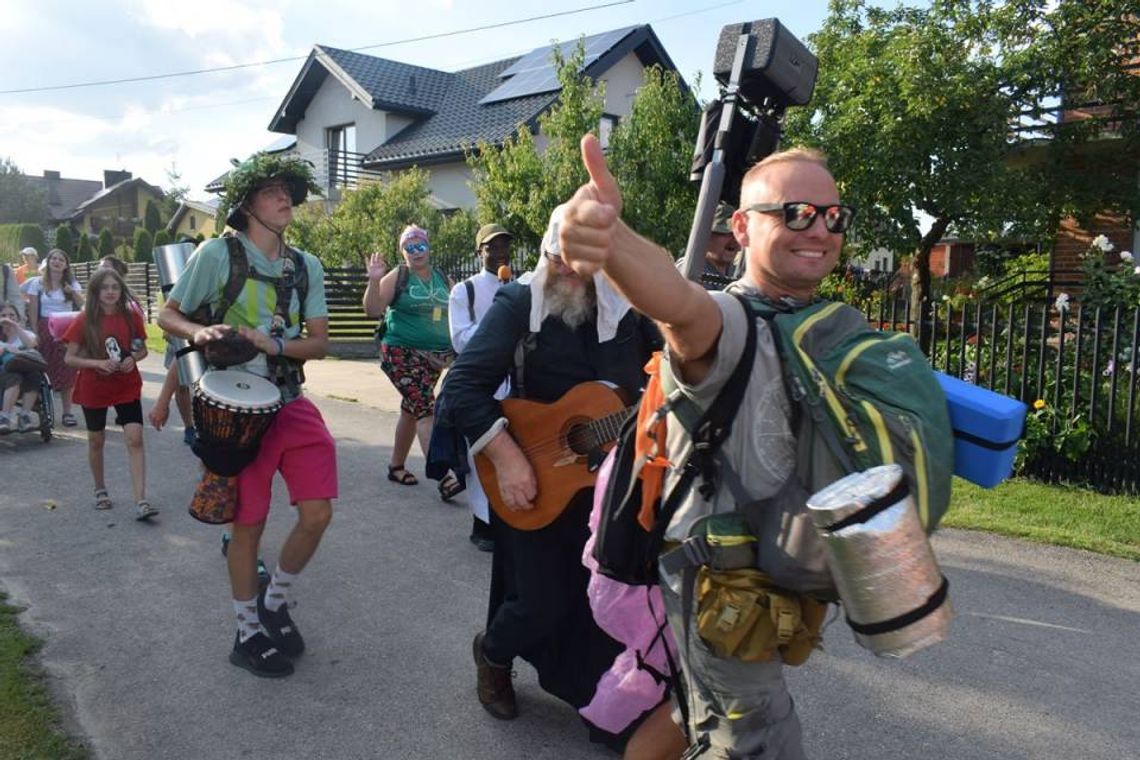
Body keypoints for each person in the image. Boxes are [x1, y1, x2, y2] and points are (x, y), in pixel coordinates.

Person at [559, 134, 858, 759]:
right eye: (797, 212)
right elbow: (679, 304)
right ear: (742, 228)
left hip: (760, 585)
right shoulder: (729, 318)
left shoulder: (811, 324)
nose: (820, 229)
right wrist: (612, 239)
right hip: (708, 589)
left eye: (834, 215)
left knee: (686, 711)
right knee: (755, 739)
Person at [442, 204, 661, 749]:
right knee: (539, 602)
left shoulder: (630, 314)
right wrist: (508, 458)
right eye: (561, 250)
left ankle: (606, 704)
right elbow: (461, 388)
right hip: (535, 478)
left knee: (611, 601)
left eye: (582, 253)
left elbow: (676, 372)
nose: (567, 264)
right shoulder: (521, 302)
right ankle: (492, 652)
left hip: (615, 491)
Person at [157, 152, 336, 679]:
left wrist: (272, 342)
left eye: (288, 191)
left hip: (288, 400)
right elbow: (168, 314)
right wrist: (198, 333)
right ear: (247, 204)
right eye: (272, 191)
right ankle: (247, 632)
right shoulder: (217, 254)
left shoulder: (306, 265)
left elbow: (320, 344)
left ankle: (274, 601)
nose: (285, 198)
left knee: (318, 512)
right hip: (233, 410)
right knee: (248, 527)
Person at [362, 225, 459, 499]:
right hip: (401, 353)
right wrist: (373, 281)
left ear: (429, 247)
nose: (416, 252)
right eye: (410, 247)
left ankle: (396, 466)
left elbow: (460, 311)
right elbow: (372, 309)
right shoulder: (399, 276)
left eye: (421, 246)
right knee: (425, 409)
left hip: (434, 359)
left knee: (412, 408)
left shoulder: (442, 277)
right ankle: (444, 476)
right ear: (402, 252)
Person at [61, 268, 155, 519]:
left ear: (121, 289)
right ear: (96, 292)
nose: (111, 292)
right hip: (94, 387)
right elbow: (69, 358)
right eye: (105, 288)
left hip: (126, 384)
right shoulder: (84, 320)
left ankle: (141, 500)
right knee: (96, 441)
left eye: (115, 287)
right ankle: (100, 488)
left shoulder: (131, 316)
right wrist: (98, 363)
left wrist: (133, 359)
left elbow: (141, 349)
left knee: (135, 438)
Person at [447, 222, 514, 552]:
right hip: (481, 384)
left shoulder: (520, 286)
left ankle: (509, 520)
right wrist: (498, 332)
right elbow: (459, 337)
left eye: (504, 246)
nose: (500, 252)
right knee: (479, 457)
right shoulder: (465, 291)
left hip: (516, 383)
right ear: (479, 252)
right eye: (492, 247)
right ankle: (482, 523)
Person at [23, 248, 82, 426]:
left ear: (66, 265)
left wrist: (72, 292)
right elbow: (33, 311)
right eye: (53, 259)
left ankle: (67, 412)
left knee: (67, 368)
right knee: (44, 369)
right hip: (45, 327)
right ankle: (44, 410)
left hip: (66, 328)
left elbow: (82, 304)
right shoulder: (37, 283)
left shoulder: (71, 283)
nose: (57, 262)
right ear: (47, 263)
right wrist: (34, 332)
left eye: (61, 260)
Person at [676, 201, 740, 290]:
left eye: (736, 234)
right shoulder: (689, 268)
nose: (734, 239)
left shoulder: (738, 274)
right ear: (706, 236)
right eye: (726, 233)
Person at [0, 302, 43, 433]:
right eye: (4, 315)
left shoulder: (26, 334)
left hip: (27, 371)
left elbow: (31, 345)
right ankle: (5, 417)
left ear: (18, 318)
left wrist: (15, 327)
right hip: (4, 373)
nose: (8, 317)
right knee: (14, 376)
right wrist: (7, 348)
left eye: (12, 315)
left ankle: (24, 416)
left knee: (35, 375)